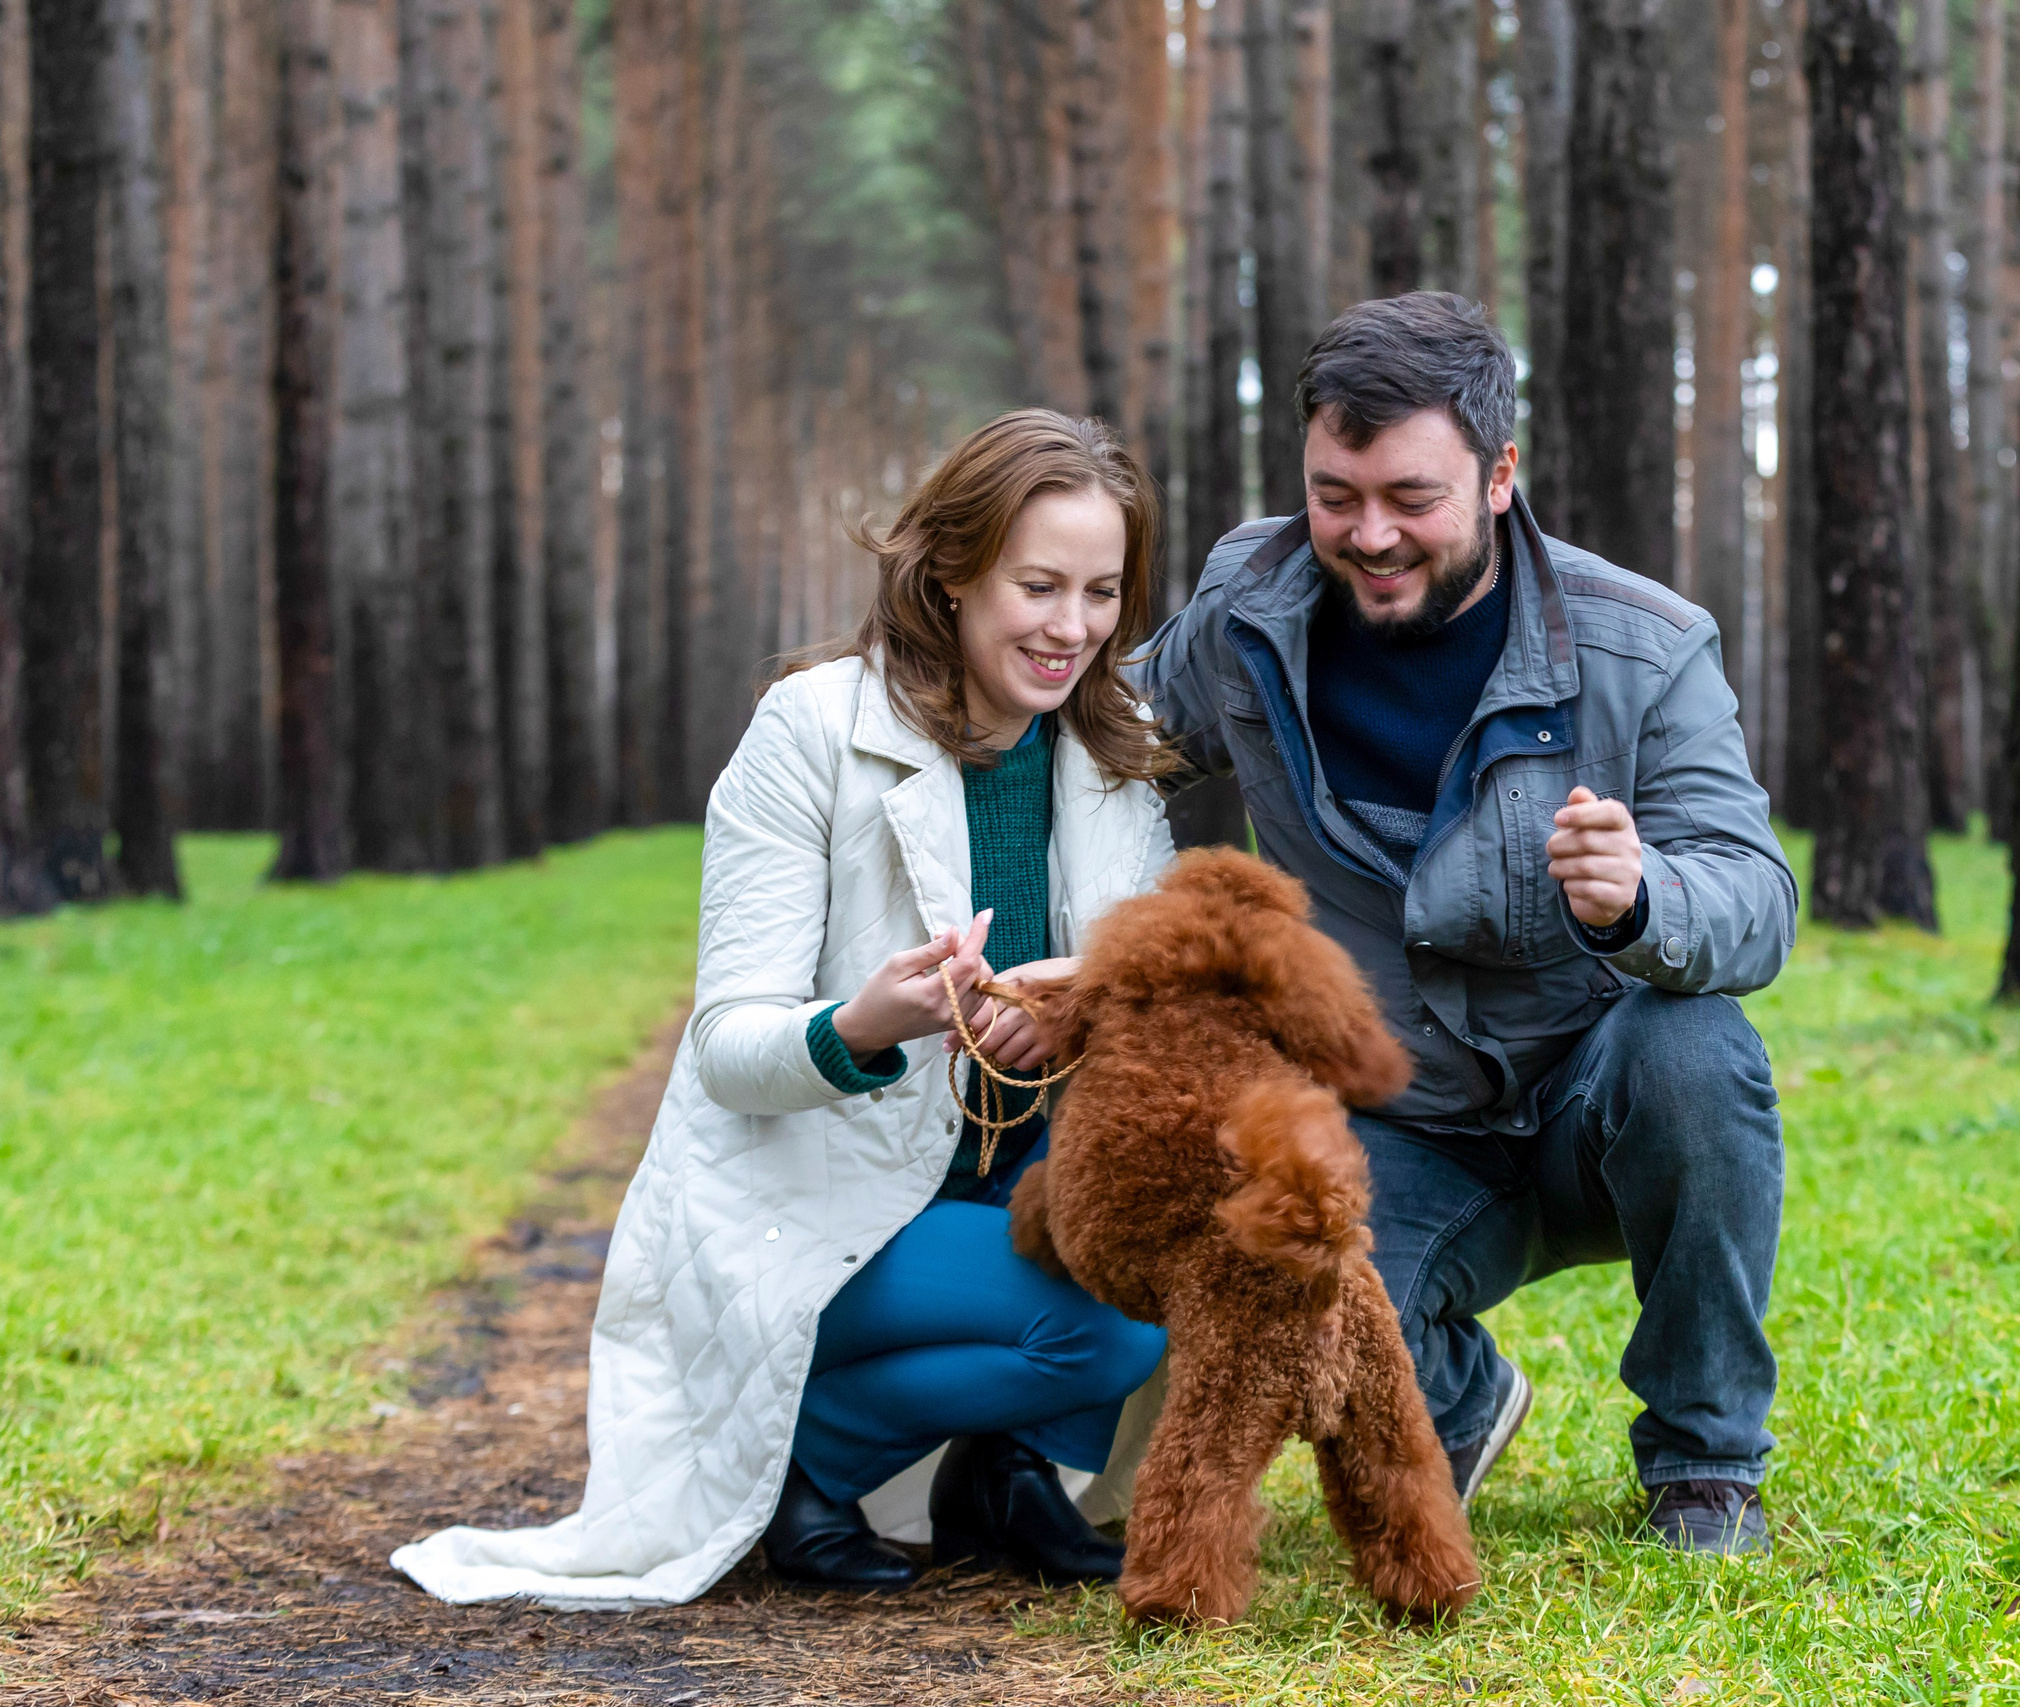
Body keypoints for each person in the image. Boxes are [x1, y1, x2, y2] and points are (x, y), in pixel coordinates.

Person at [394, 410, 1176, 1608]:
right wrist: (860, 1025)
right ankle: (809, 1458)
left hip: (1023, 1181)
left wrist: (1079, 1017)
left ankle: (1005, 1475)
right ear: (952, 571)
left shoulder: (1113, 751)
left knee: (1173, 1244)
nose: (1071, 627)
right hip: (822, 1210)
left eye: (1101, 592)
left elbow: (1156, 990)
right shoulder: (811, 729)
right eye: (1037, 586)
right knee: (1110, 1325)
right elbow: (729, 1046)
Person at [1130, 292, 1797, 1555]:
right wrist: (922, 690)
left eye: (1410, 498)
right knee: (1274, 1261)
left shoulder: (1646, 647)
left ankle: (1705, 1464)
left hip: (1596, 1114)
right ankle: (1461, 1400)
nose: (1369, 535)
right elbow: (1111, 739)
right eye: (1334, 496)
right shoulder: (1246, 609)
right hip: (1395, 1126)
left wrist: (1643, 897)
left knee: (1697, 1049)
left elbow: (1757, 901)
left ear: (1498, 476)